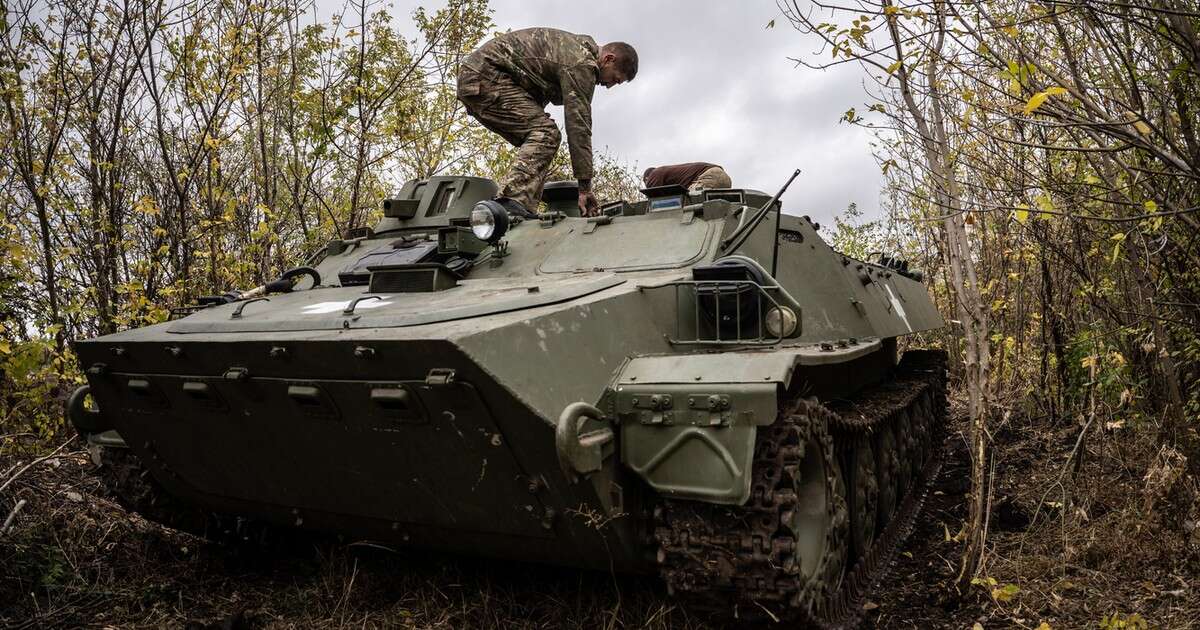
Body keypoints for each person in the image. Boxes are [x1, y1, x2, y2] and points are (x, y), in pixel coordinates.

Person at [457, 28, 638, 217]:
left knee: (539, 140)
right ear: (608, 59)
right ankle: (510, 202)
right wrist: (584, 187)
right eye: (615, 79)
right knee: (546, 134)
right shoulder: (581, 63)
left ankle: (522, 208)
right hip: (486, 76)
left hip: (481, 76)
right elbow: (579, 126)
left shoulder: (576, 51)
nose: (608, 86)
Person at [642, 162, 732, 192]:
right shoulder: (666, 172)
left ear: (647, 179)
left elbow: (653, 195)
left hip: (710, 177)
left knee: (689, 201)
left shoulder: (654, 173)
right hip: (724, 177)